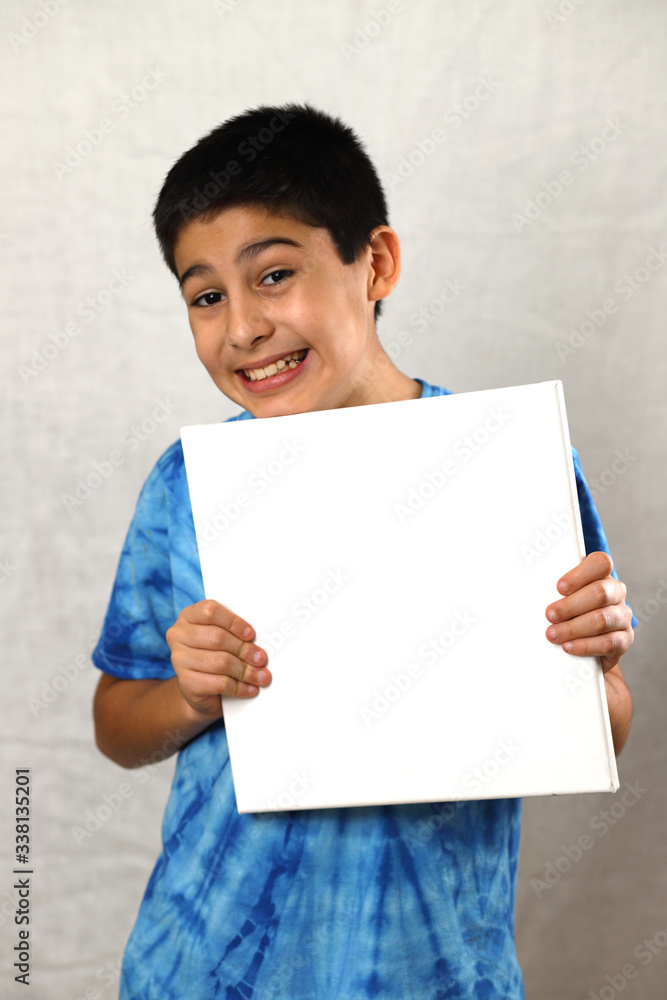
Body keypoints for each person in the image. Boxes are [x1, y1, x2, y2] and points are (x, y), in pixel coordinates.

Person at [91, 103, 635, 1000]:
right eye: (206, 296)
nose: (241, 329)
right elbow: (117, 724)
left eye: (273, 275)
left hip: (431, 973)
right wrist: (191, 695)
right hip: (203, 967)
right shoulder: (186, 484)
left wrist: (596, 665)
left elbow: (600, 726)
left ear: (373, 262)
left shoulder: (507, 461)